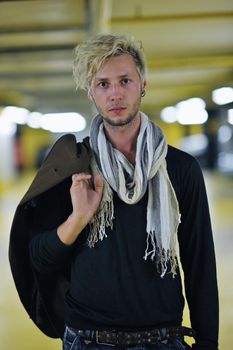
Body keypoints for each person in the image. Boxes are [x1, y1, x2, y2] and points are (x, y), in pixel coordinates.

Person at [9, 34, 219, 350]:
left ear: (143, 85)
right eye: (103, 84)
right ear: (91, 92)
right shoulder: (72, 164)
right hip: (87, 339)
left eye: (125, 80)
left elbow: (200, 261)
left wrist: (207, 342)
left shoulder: (180, 168)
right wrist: (79, 218)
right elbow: (39, 257)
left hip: (163, 339)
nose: (115, 93)